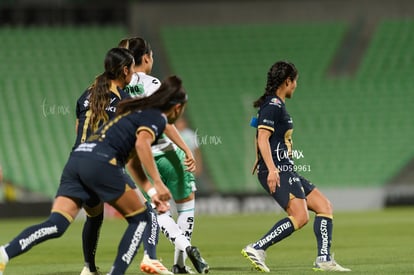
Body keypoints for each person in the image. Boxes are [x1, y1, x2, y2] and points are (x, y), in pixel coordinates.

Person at [0, 75, 188, 275]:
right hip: (102, 162)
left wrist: (151, 190)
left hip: (78, 159)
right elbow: (141, 145)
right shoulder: (155, 116)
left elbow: (133, 161)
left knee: (57, 224)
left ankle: (4, 253)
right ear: (177, 108)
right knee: (141, 219)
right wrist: (158, 184)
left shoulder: (123, 106)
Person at [241, 61, 351, 272]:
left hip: (285, 169)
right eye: (295, 81)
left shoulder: (274, 104)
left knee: (324, 206)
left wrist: (259, 157)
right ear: (287, 81)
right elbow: (263, 137)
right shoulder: (273, 105)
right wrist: (271, 169)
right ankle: (257, 248)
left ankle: (324, 259)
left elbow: (258, 130)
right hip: (278, 170)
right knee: (301, 217)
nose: (296, 86)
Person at [72, 47, 171, 275]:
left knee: (93, 218)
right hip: (105, 166)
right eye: (130, 73)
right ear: (124, 71)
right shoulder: (124, 101)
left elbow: (78, 129)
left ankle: (88, 268)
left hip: (79, 165)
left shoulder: (85, 96)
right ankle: (150, 258)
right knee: (146, 213)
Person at [119, 37, 209, 274]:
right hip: (167, 153)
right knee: (186, 206)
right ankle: (181, 262)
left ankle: (185, 248)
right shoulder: (154, 83)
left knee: (160, 209)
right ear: (147, 57)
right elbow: (165, 121)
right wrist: (187, 149)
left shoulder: (118, 86)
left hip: (140, 159)